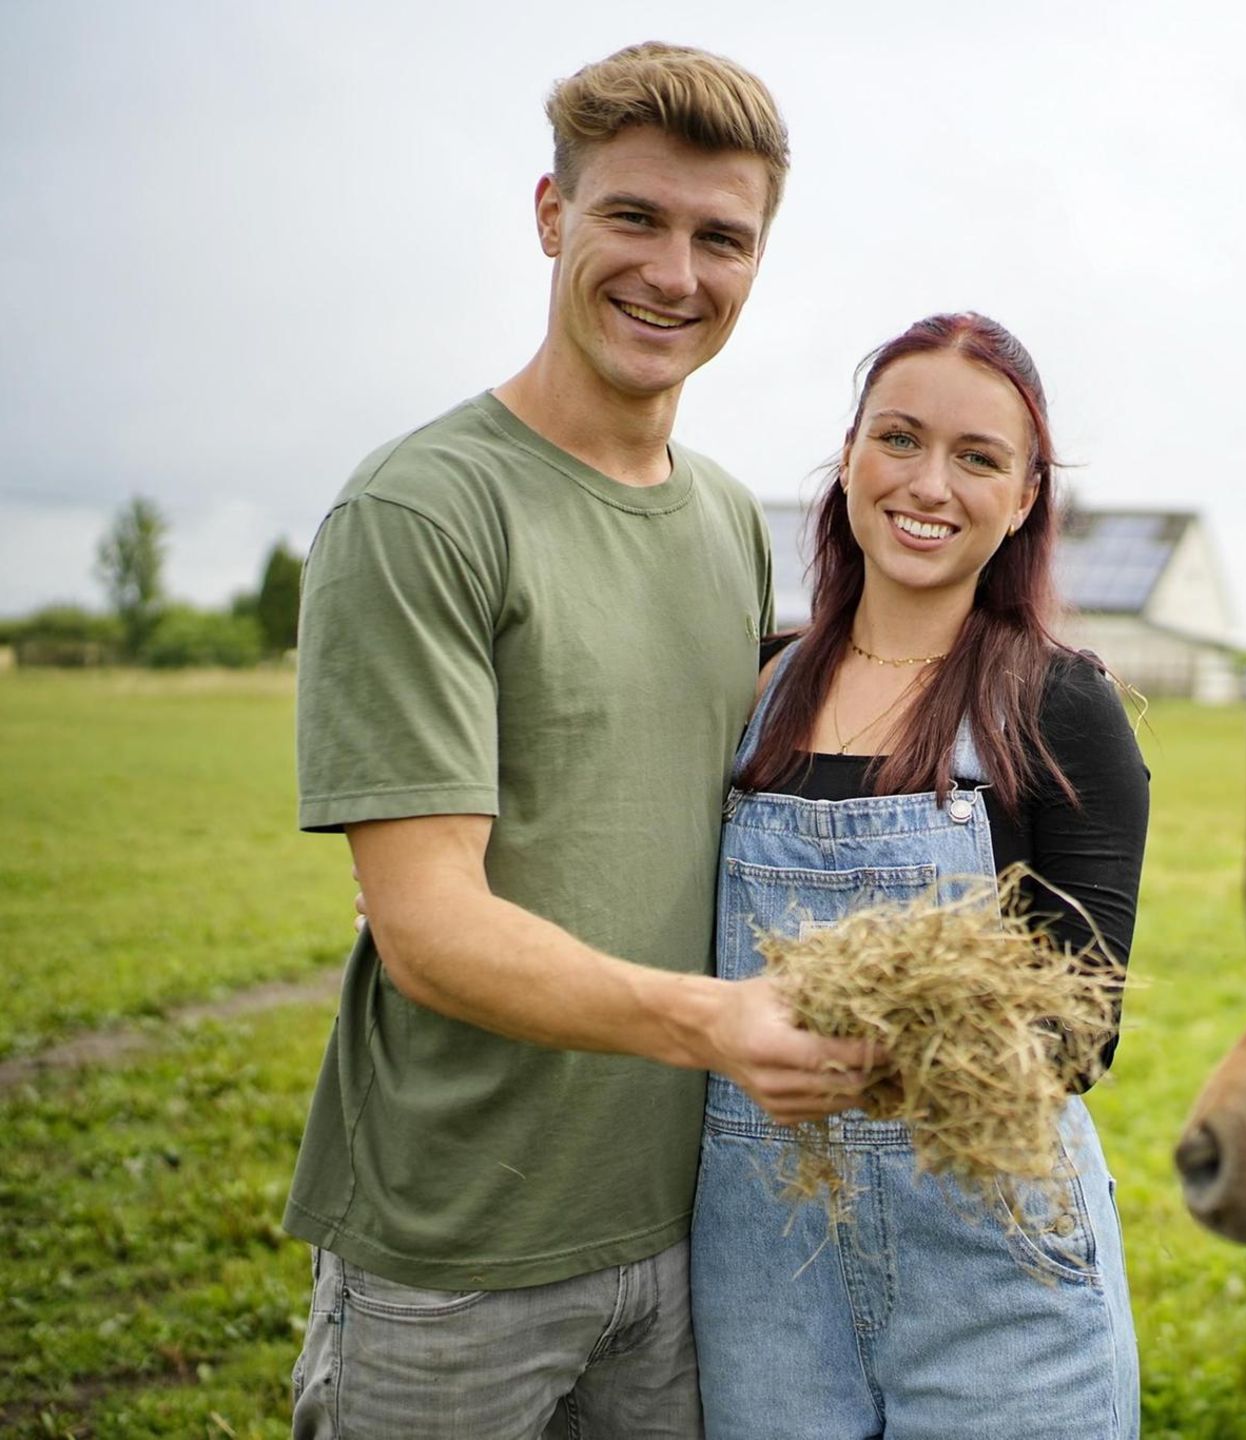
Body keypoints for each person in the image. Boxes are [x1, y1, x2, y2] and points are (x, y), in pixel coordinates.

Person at [285, 43, 878, 1440]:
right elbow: (429, 928)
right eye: (634, 218)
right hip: (456, 1251)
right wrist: (720, 1024)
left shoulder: (727, 519)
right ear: (552, 216)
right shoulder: (423, 512)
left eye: (720, 237)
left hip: (687, 1234)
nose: (675, 273)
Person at [689, 312, 1148, 1439]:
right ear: (850, 456)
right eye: (899, 438)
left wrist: (873, 1051)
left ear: (1026, 497)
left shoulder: (1060, 707)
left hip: (995, 1269)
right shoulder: (753, 692)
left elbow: (1079, 1034)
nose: (928, 485)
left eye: (977, 457)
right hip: (764, 1268)